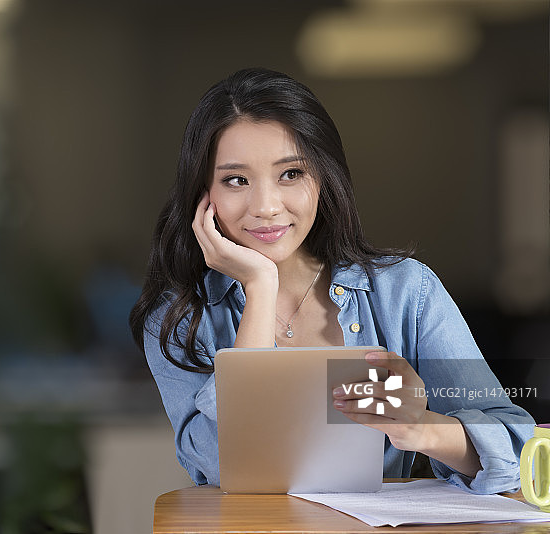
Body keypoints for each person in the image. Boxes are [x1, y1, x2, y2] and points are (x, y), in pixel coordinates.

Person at [128, 67, 535, 495]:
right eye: (236, 180)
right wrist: (260, 289)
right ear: (203, 193)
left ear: (323, 178)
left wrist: (419, 427)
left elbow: (521, 451)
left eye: (290, 174)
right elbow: (220, 463)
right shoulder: (177, 317)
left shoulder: (405, 292)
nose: (265, 206)